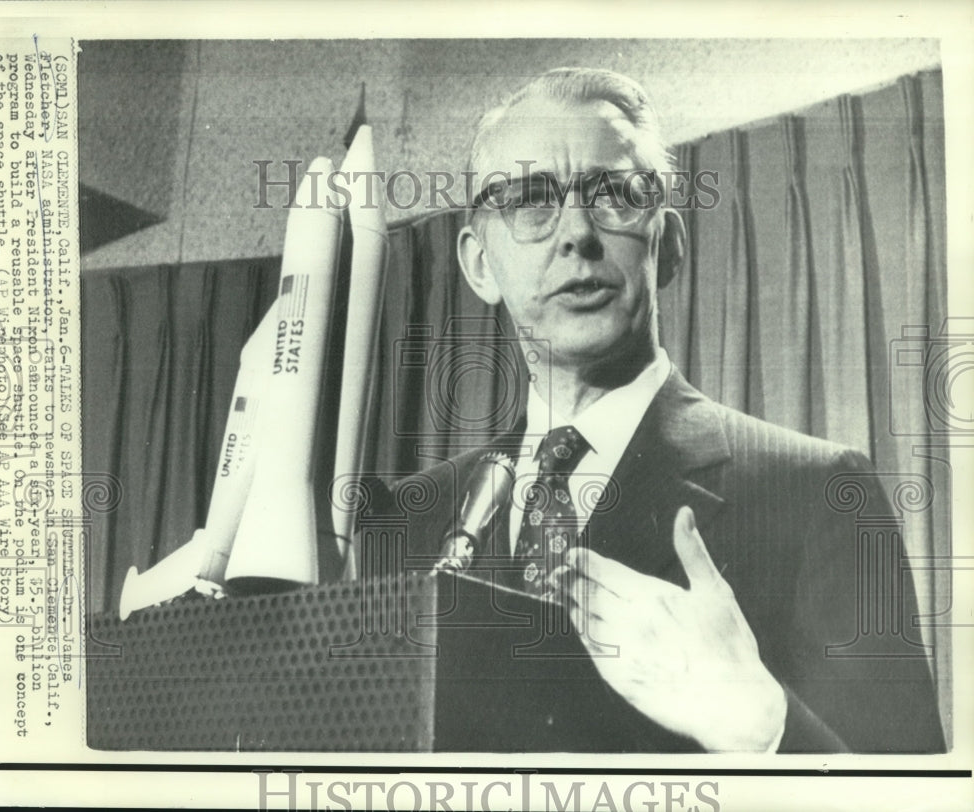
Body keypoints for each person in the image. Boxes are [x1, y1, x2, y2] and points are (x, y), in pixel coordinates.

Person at [379, 67, 945, 753]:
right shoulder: (406, 522)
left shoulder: (821, 492)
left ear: (669, 245)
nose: (577, 233)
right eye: (531, 201)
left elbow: (905, 792)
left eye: (616, 195)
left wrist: (762, 724)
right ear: (478, 264)